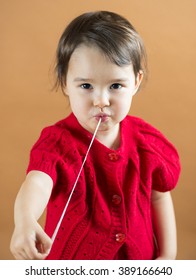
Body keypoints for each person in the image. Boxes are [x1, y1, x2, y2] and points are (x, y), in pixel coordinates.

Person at [10, 11, 181, 260]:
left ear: (136, 81)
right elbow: (37, 182)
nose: (101, 101)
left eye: (115, 86)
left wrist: (167, 256)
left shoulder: (147, 142)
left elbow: (158, 197)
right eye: (86, 86)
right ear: (65, 83)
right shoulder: (58, 142)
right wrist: (25, 220)